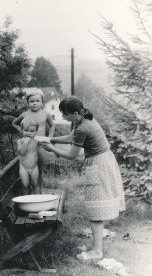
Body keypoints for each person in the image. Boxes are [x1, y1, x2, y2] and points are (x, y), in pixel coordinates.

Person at [41, 96, 125, 261]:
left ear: (75, 113)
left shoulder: (83, 128)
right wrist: (49, 139)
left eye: (65, 114)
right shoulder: (82, 119)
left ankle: (97, 252)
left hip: (100, 165)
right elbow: (69, 138)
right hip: (101, 162)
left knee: (95, 211)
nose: (63, 117)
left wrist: (52, 148)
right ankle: (95, 246)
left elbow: (72, 156)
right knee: (95, 210)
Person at [12, 90, 55, 193]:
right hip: (28, 148)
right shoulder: (25, 114)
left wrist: (49, 138)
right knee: (28, 167)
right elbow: (14, 123)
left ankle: (40, 190)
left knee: (39, 170)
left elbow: (52, 125)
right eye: (32, 101)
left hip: (40, 146)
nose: (35, 103)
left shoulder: (45, 114)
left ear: (42, 102)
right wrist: (23, 132)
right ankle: (30, 192)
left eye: (37, 101)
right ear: (28, 102)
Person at [17, 116, 41, 195]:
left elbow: (46, 145)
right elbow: (21, 152)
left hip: (34, 167)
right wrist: (25, 143)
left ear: (36, 132)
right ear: (21, 130)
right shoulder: (20, 141)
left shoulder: (36, 141)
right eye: (26, 130)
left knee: (35, 184)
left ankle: (37, 201)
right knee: (25, 185)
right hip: (24, 167)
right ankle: (25, 201)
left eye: (32, 131)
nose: (28, 133)